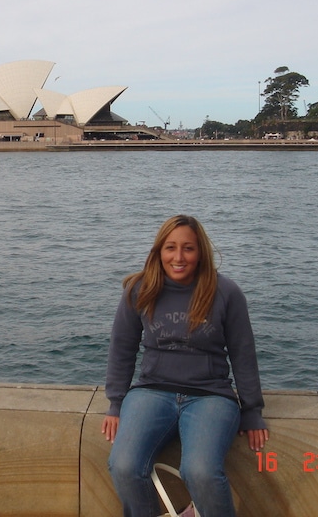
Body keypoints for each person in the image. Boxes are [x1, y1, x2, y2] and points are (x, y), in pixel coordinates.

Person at [102, 215, 269, 517]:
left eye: (188, 248)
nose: (178, 257)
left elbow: (243, 354)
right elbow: (122, 349)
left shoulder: (226, 293)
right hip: (151, 392)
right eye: (171, 248)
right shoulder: (139, 290)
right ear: (159, 251)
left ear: (200, 252)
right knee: (124, 465)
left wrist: (252, 411)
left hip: (210, 396)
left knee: (200, 471)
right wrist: (116, 403)